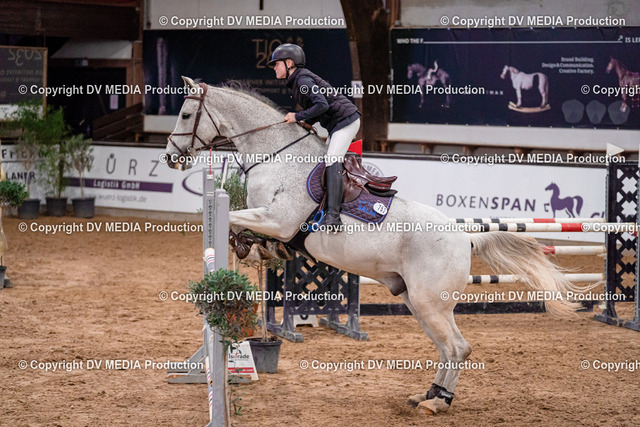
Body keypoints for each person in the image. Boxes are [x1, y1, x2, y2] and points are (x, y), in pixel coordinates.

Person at [268, 43, 361, 232]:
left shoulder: (302, 81)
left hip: (346, 121)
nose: (274, 68)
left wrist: (298, 116)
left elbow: (322, 105)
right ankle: (326, 207)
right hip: (337, 124)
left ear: (289, 63)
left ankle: (334, 217)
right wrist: (307, 121)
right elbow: (319, 108)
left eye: (276, 64)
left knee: (332, 160)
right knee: (326, 161)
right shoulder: (298, 81)